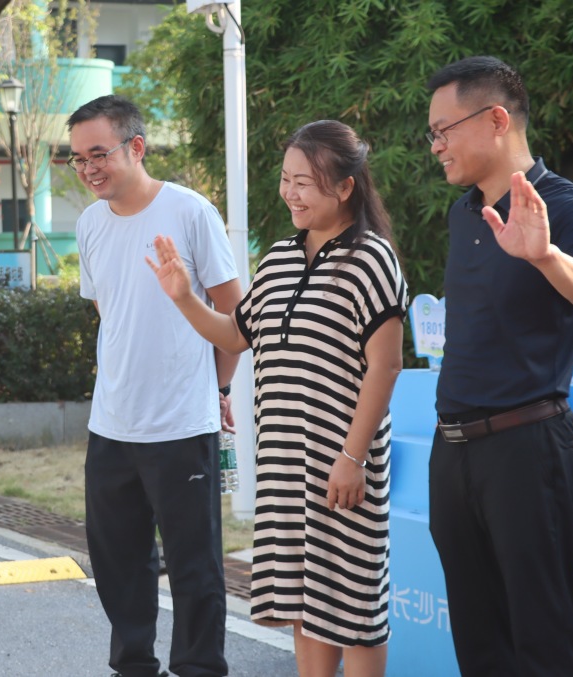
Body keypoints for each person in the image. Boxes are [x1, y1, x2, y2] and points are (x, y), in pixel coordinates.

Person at [149, 119, 407, 677]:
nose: (290, 192)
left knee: (354, 604)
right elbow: (234, 334)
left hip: (345, 466)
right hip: (286, 466)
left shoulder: (371, 260)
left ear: (346, 187)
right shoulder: (279, 259)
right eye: (286, 179)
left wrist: (352, 457)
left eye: (305, 182)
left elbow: (386, 367)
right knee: (304, 602)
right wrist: (183, 297)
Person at [425, 56, 573, 676]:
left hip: (527, 448)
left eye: (444, 129)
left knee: (546, 641)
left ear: (497, 119)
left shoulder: (565, 205)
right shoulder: (463, 215)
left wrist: (544, 258)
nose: (436, 147)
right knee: (480, 644)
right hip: (452, 450)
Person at [67, 94, 242, 677]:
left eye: (99, 153)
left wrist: (214, 391)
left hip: (181, 424)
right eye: (77, 159)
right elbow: (109, 313)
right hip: (111, 422)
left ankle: (198, 667)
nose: (89, 168)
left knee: (195, 567)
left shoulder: (191, 212)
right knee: (117, 560)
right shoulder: (90, 223)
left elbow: (234, 316)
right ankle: (133, 665)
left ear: (135, 147)